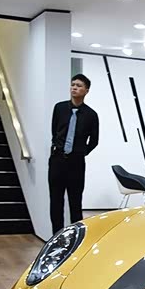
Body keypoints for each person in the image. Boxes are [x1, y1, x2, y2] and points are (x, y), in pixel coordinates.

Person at [48, 74, 100, 233]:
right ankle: (56, 237)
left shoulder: (91, 115)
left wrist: (80, 152)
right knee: (56, 202)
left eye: (78, 86)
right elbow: (55, 131)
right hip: (57, 160)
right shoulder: (59, 108)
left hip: (76, 163)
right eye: (73, 85)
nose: (74, 88)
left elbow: (94, 141)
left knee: (75, 202)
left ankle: (75, 238)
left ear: (86, 90)